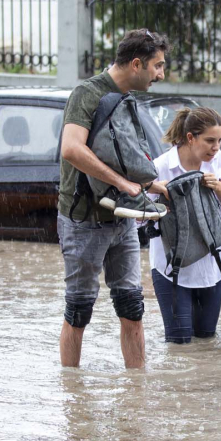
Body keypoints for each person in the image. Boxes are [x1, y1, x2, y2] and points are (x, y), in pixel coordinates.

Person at [57, 28, 171, 369]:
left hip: (122, 218)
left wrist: (151, 185)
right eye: (157, 66)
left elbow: (122, 156)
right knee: (79, 310)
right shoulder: (87, 93)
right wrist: (122, 183)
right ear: (136, 64)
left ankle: (137, 395)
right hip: (83, 220)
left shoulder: (128, 100)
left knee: (132, 307)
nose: (161, 75)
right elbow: (71, 149)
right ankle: (72, 398)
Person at [147, 107, 221, 344]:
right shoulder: (160, 168)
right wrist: (159, 197)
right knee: (178, 344)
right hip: (172, 270)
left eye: (219, 140)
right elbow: (139, 217)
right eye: (210, 140)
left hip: (214, 264)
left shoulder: (217, 161)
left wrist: (218, 187)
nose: (216, 147)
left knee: (206, 342)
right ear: (190, 137)